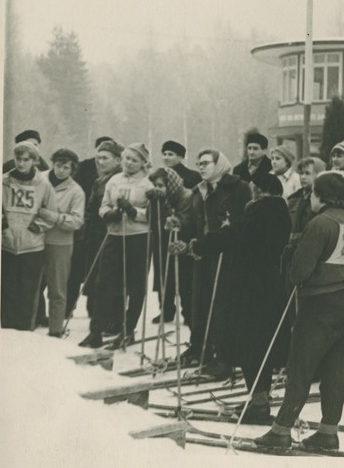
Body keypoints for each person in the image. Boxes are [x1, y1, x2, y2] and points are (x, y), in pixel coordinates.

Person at [256, 172, 344, 451]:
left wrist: (293, 256)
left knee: (300, 367)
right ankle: (328, 432)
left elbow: (301, 271)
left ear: (322, 195)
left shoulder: (320, 223)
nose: (310, 198)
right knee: (334, 370)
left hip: (320, 303)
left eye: (313, 193)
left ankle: (281, 431)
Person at [173, 149, 251, 376]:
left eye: (206, 163)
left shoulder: (237, 187)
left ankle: (223, 356)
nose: (201, 167)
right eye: (198, 163)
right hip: (204, 252)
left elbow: (242, 221)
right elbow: (194, 221)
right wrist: (180, 225)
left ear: (219, 164)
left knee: (222, 304)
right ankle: (200, 347)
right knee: (200, 300)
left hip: (227, 254)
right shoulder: (199, 190)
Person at [228, 171, 291, 422]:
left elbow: (240, 240)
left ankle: (259, 403)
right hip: (272, 285)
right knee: (263, 344)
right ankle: (259, 399)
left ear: (262, 191)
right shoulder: (282, 211)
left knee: (249, 345)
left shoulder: (257, 212)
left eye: (255, 190)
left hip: (250, 287)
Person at [79, 143, 153, 350]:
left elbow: (152, 216)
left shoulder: (148, 184)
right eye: (127, 158)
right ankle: (95, 333)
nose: (129, 163)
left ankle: (127, 331)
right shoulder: (114, 180)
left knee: (135, 286)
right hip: (114, 235)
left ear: (143, 163)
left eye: (134, 160)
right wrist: (108, 214)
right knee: (104, 283)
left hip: (138, 238)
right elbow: (104, 205)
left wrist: (133, 212)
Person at [1, 140, 57, 331]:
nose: (21, 163)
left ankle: (25, 331)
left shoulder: (43, 184)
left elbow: (51, 213)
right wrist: (2, 224)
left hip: (32, 247)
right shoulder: (3, 181)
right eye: (18, 159)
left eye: (26, 159)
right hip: (6, 245)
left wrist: (39, 225)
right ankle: (6, 331)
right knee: (7, 291)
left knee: (28, 292)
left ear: (34, 161)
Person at [66, 136, 113, 317]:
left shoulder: (115, 175)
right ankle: (68, 307)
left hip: (101, 226)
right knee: (75, 268)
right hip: (82, 223)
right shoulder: (84, 167)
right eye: (99, 154)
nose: (101, 160)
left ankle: (93, 309)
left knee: (98, 270)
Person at [40, 149, 85, 337]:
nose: (61, 171)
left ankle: (56, 329)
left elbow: (77, 221)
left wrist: (54, 217)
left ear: (72, 169)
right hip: (33, 240)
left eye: (66, 168)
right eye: (58, 165)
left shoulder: (75, 191)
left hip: (60, 244)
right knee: (31, 286)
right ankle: (25, 328)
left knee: (57, 288)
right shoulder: (39, 179)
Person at [79, 140, 123, 323]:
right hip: (95, 236)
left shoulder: (120, 181)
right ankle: (96, 317)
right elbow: (90, 210)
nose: (101, 162)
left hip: (111, 235)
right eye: (98, 158)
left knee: (109, 278)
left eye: (105, 158)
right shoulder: (99, 181)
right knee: (94, 275)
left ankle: (113, 319)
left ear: (117, 160)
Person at [146, 168, 194, 326]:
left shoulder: (186, 196)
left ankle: (188, 312)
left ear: (170, 184)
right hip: (162, 240)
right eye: (155, 185)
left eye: (161, 185)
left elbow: (186, 219)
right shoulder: (160, 198)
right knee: (163, 276)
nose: (157, 189)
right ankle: (166, 310)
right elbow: (151, 220)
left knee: (183, 277)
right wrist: (154, 203)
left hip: (181, 241)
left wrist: (174, 221)